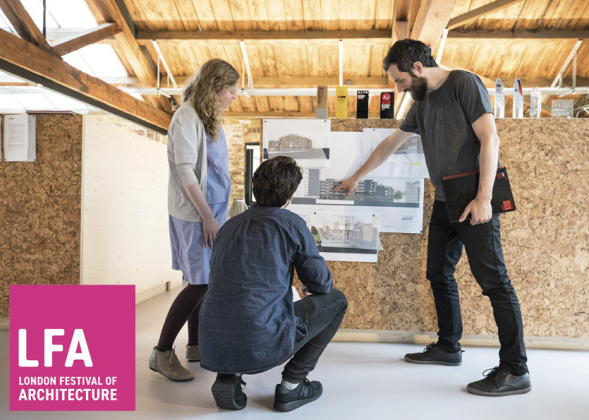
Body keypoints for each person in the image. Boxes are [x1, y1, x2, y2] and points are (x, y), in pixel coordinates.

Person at [334, 39, 530, 396]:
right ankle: (448, 347)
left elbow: (491, 140)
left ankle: (516, 370)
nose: (399, 87)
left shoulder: (464, 83)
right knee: (438, 272)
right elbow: (391, 143)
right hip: (445, 198)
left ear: (418, 68)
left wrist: (484, 198)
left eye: (400, 80)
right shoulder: (421, 102)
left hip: (474, 197)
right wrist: (356, 176)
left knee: (495, 282)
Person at [199, 156, 347, 411]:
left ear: (256, 188)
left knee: (240, 307)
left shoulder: (228, 226)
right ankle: (292, 385)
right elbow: (321, 283)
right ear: (289, 196)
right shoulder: (291, 224)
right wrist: (309, 285)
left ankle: (228, 376)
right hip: (263, 342)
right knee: (336, 300)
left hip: (212, 344)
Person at [149, 59, 239, 381]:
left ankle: (196, 345)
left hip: (211, 211)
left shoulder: (208, 115)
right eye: (231, 90)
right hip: (196, 213)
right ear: (216, 88)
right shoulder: (186, 116)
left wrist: (216, 215)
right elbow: (186, 171)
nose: (234, 97)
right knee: (200, 282)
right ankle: (161, 353)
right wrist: (207, 218)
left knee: (205, 280)